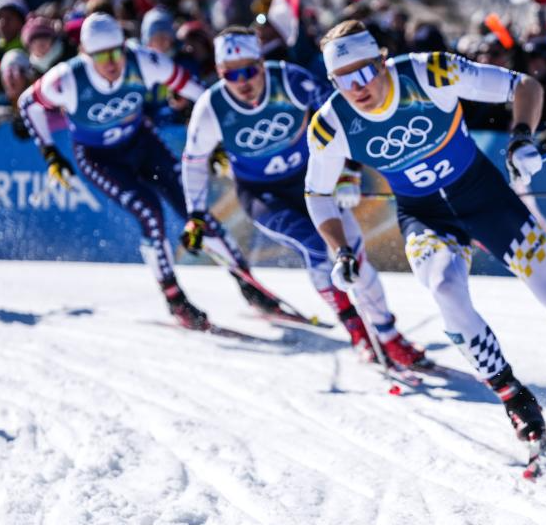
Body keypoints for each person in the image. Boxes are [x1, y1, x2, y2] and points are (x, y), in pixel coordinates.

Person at [304, 20, 546, 444]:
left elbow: (524, 86)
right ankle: (513, 398)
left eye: (365, 71)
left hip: (486, 199)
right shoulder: (331, 124)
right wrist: (341, 250)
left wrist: (521, 138)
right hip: (425, 215)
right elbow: (316, 194)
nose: (357, 87)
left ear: (383, 60)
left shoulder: (428, 72)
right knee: (444, 288)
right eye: (343, 80)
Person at [180, 27, 422, 364]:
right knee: (317, 246)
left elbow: (344, 114)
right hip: (264, 197)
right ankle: (357, 331)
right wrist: (195, 214)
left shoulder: (291, 81)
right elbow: (193, 162)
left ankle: (389, 335)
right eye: (231, 75)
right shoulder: (211, 107)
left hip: (313, 184)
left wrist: (349, 172)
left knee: (354, 254)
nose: (242, 82)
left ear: (262, 62)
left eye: (249, 70)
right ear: (220, 73)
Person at [17, 13, 272, 329]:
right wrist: (51, 153)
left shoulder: (143, 61)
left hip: (142, 143)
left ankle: (249, 285)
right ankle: (175, 299)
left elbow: (201, 94)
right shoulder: (67, 78)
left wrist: (215, 141)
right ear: (85, 54)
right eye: (101, 57)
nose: (112, 63)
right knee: (150, 214)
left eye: (116, 52)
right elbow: (27, 103)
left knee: (195, 212)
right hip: (100, 159)